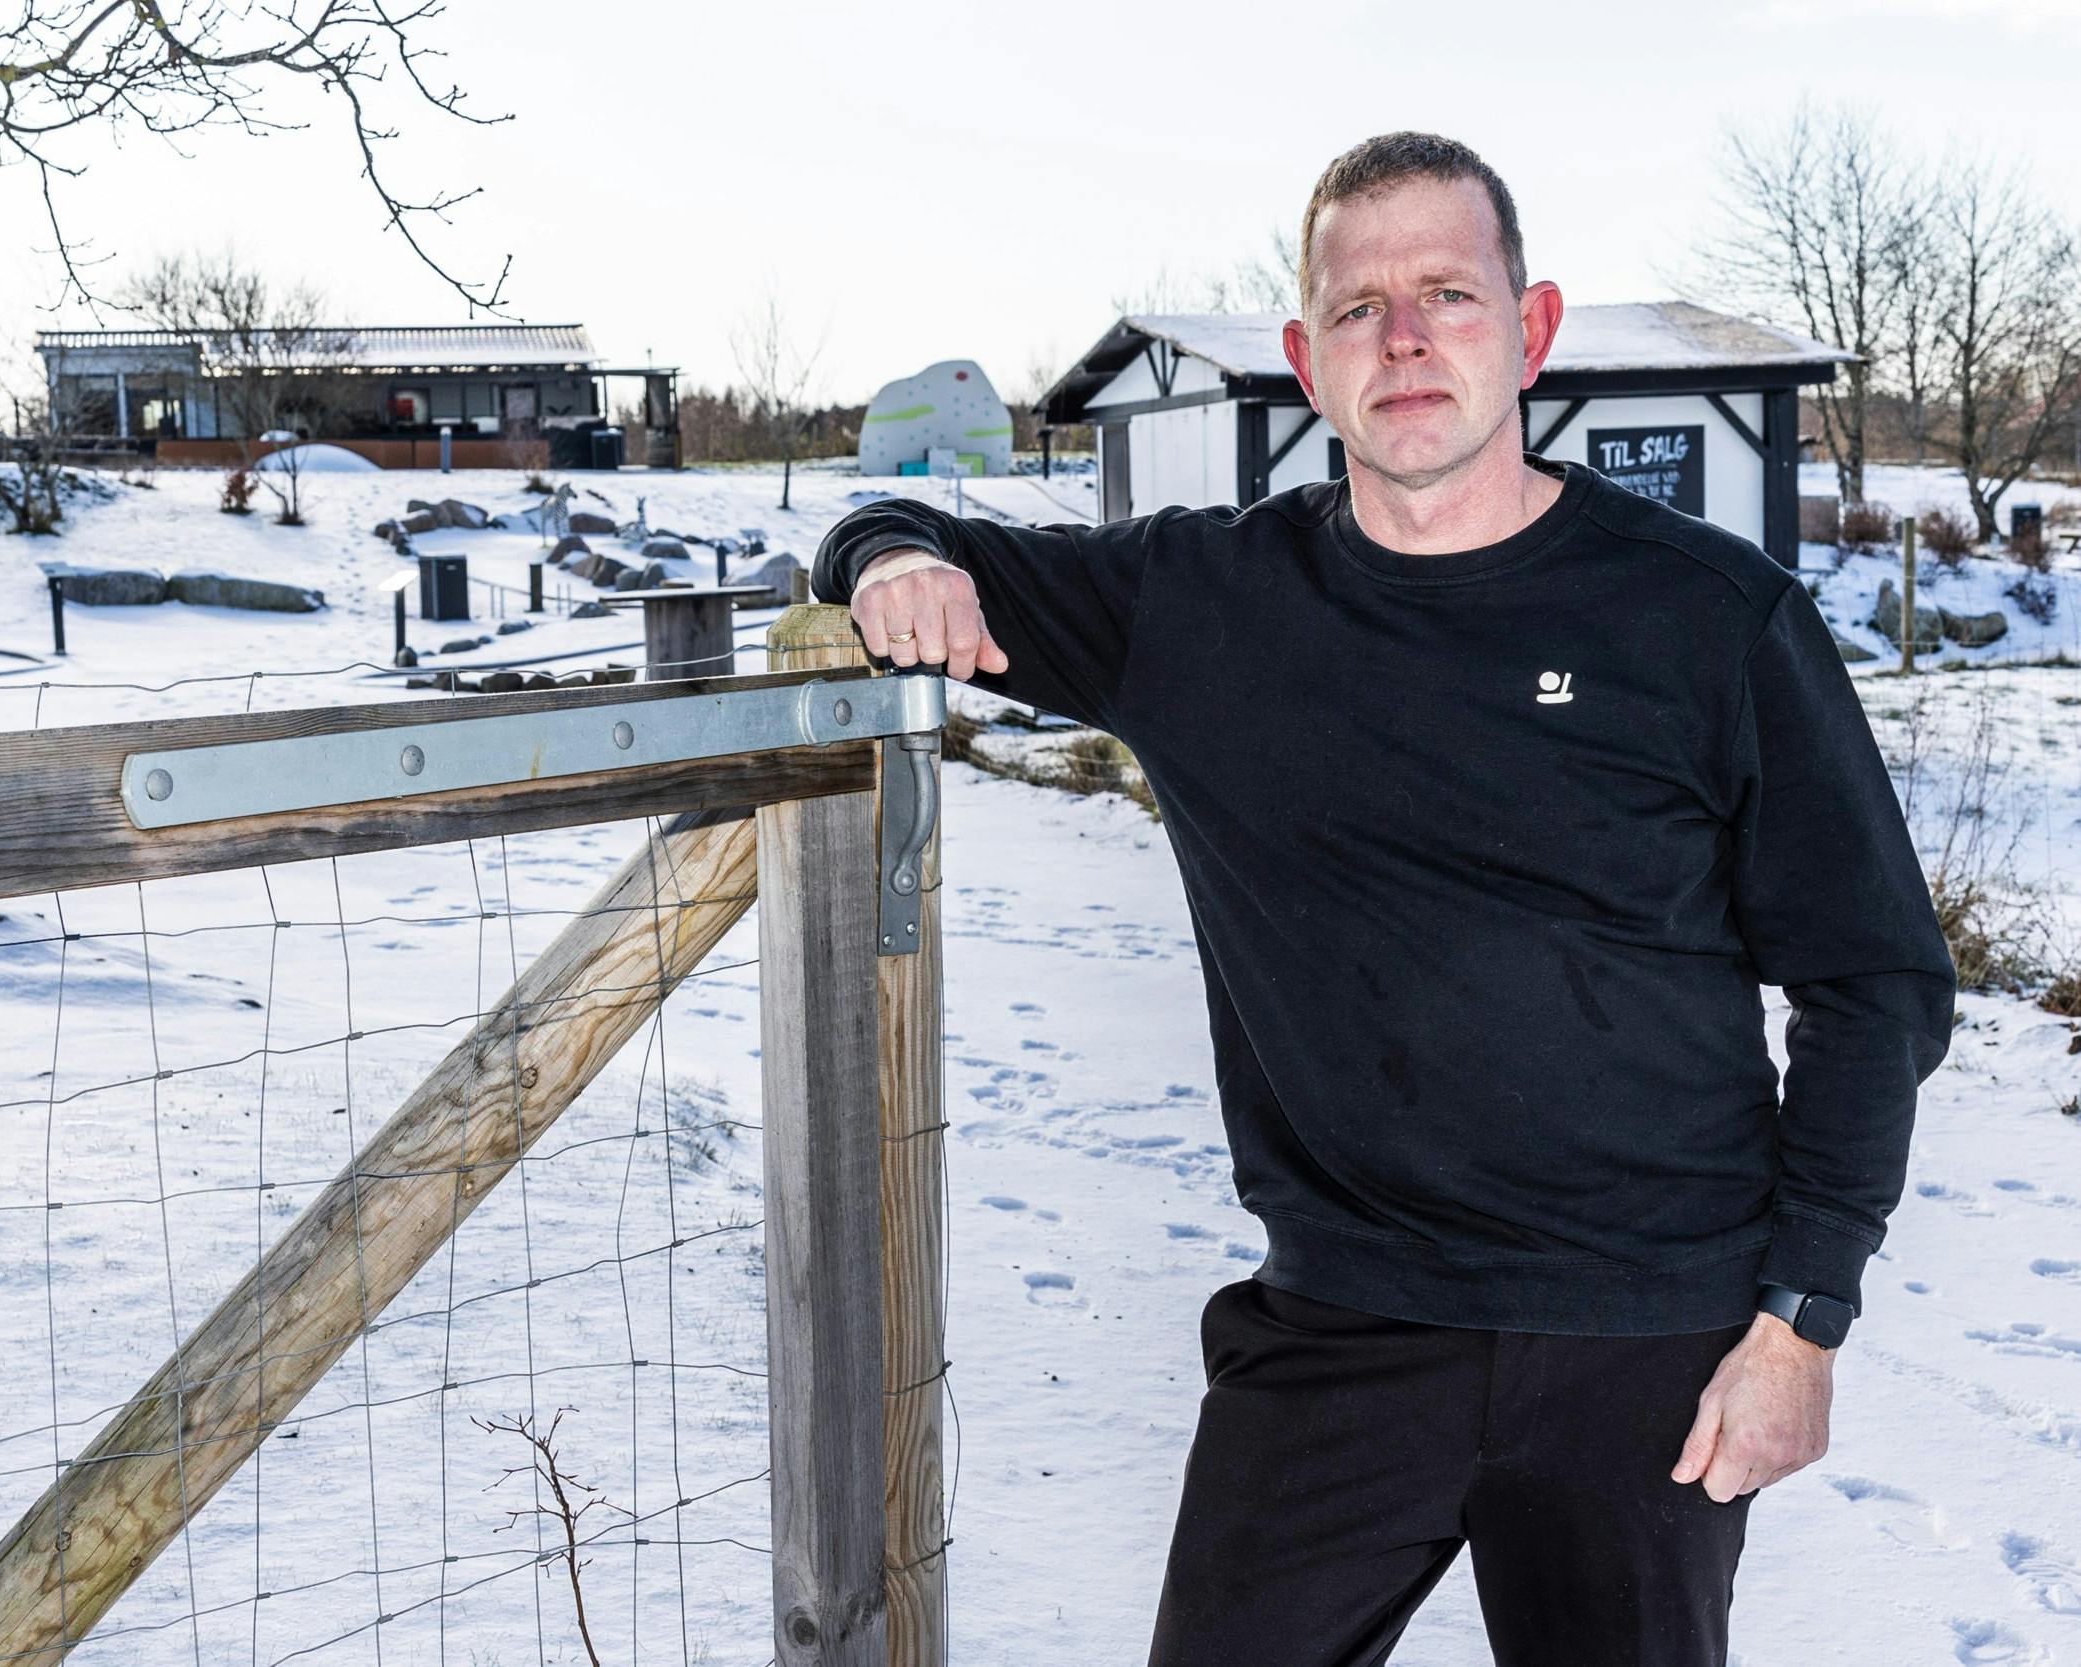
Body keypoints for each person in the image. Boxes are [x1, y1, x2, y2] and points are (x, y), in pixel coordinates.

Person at [807, 131, 1957, 1666]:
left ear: (1531, 330)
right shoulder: (1205, 607)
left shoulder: (1706, 617)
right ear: (1306, 359)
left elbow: (1874, 983)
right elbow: (902, 541)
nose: (1403, 339)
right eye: (1359, 308)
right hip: (1341, 1327)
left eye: (1447, 295)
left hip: (1648, 1335)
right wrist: (890, 553)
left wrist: (1803, 1319)